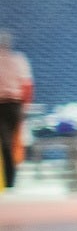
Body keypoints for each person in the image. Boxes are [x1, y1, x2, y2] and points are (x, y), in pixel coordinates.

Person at [0, 31, 32, 189]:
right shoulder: (19, 60)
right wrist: (24, 107)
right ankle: (10, 179)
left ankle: (6, 179)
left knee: (5, 143)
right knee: (12, 142)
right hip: (14, 105)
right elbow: (27, 86)